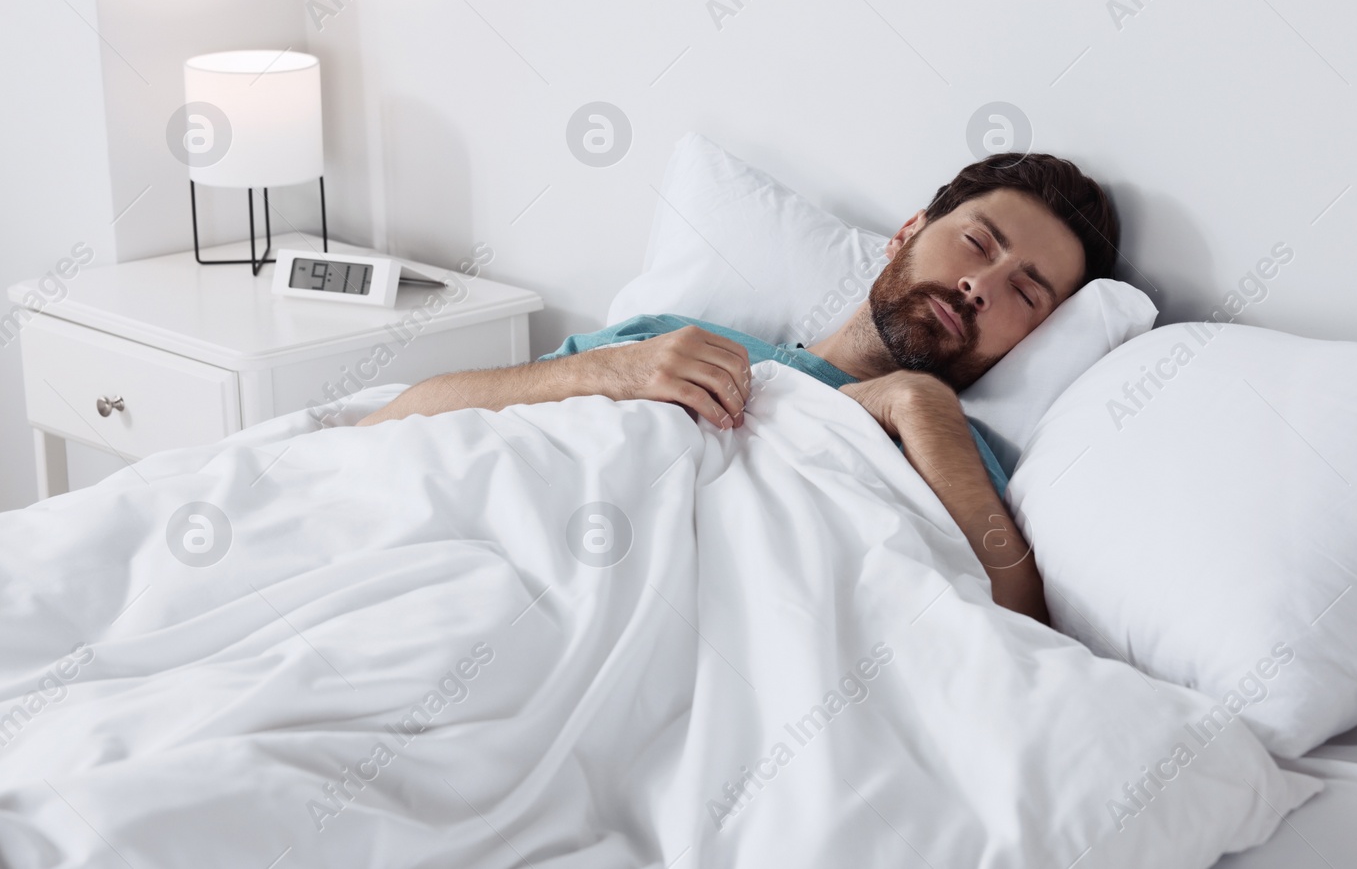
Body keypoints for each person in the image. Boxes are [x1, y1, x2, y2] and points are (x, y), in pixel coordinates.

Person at [359, 153, 1121, 623]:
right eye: (978, 242)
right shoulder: (669, 337)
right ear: (908, 232)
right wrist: (607, 369)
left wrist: (919, 407)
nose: (978, 284)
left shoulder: (951, 443)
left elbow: (1018, 620)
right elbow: (393, 423)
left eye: (1027, 291)